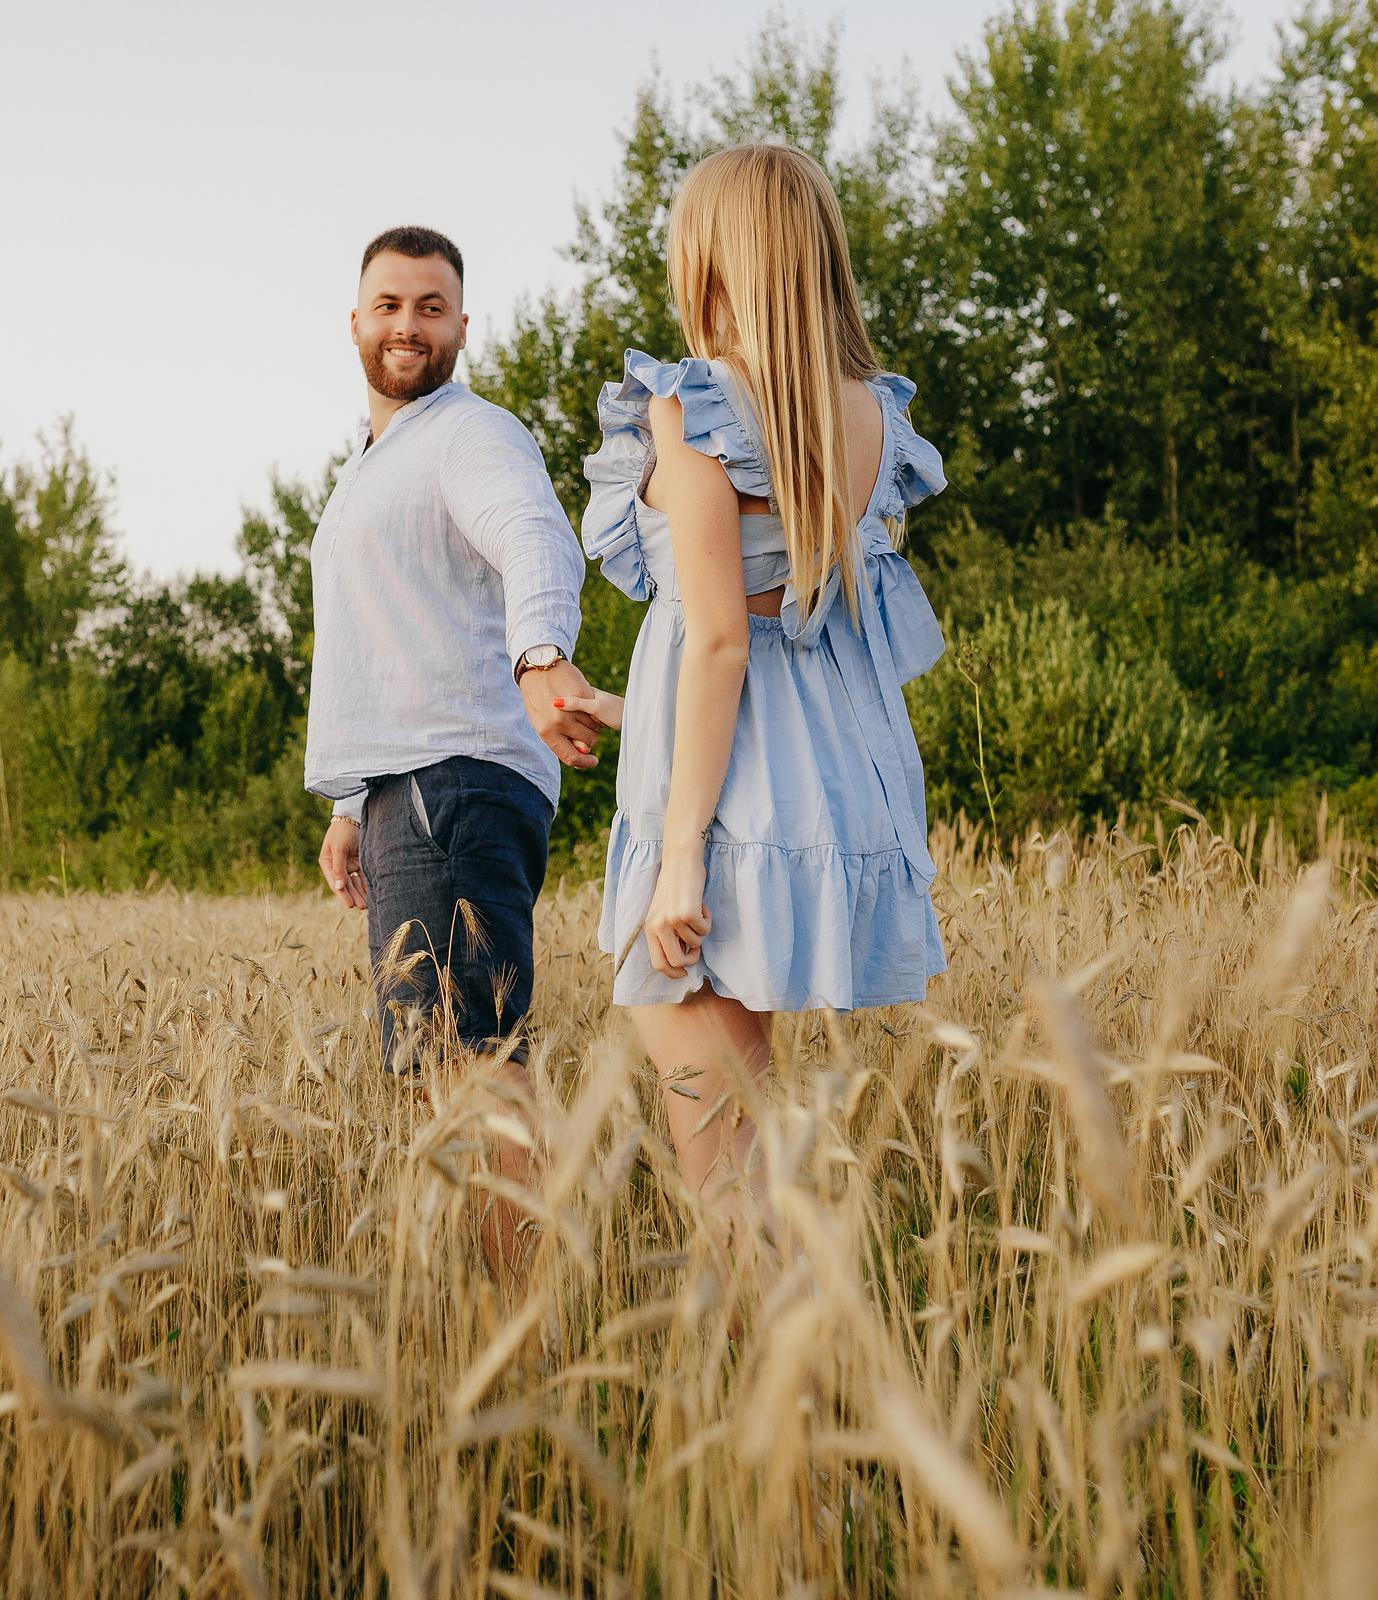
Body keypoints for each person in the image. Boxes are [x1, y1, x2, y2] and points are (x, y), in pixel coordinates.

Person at [569, 144, 950, 1263]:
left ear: (713, 252)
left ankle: (771, 1407)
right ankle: (799, 1392)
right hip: (809, 786)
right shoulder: (872, 415)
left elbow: (724, 638)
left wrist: (679, 851)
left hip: (721, 806)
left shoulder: (694, 406)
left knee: (722, 1163)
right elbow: (799, 634)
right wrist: (625, 702)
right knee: (742, 1138)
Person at [302, 225, 603, 1275]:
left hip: (457, 781)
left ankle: (526, 1329)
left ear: (462, 326)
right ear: (354, 323)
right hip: (411, 788)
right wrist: (351, 802)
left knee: (479, 1071)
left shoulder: (468, 435)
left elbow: (533, 533)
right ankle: (505, 1315)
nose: (408, 325)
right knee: (448, 1073)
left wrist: (539, 657)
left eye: (431, 306)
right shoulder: (381, 464)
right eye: (389, 304)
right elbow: (386, 640)